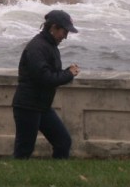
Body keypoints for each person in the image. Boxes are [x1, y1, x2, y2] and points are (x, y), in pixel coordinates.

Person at [12, 9, 80, 159]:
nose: (65, 37)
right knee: (24, 150)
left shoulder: (49, 45)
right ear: (53, 27)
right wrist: (68, 74)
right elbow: (45, 78)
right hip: (27, 106)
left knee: (63, 141)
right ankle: (14, 179)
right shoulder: (37, 47)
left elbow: (50, 73)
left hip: (42, 106)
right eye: (64, 32)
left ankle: (58, 176)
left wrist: (66, 72)